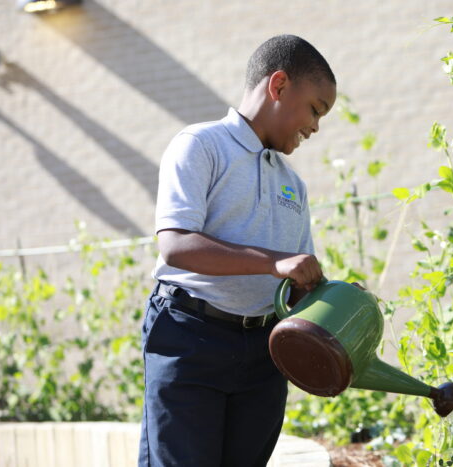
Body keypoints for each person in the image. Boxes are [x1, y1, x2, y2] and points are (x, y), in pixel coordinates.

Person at [139, 34, 337, 467]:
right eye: (315, 109)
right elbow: (176, 246)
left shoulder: (294, 185)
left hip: (264, 354)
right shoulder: (201, 145)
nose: (316, 127)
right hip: (190, 339)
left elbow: (295, 283)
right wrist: (274, 262)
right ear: (279, 86)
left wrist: (336, 299)